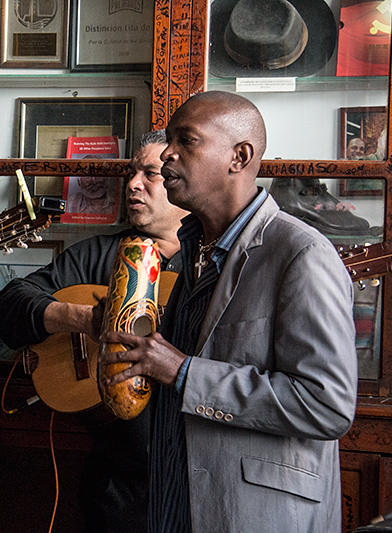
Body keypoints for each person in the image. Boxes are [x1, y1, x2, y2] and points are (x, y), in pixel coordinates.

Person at [99, 91, 357, 532]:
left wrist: (183, 372)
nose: (167, 154)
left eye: (187, 140)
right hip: (174, 508)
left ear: (240, 156)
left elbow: (327, 404)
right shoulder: (193, 246)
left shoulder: (302, 253)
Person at [0, 130, 188, 533]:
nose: (132, 184)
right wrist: (81, 320)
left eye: (149, 174)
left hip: (195, 481)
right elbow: (10, 303)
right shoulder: (101, 253)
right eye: (130, 173)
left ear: (181, 180)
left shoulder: (212, 264)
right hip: (117, 489)